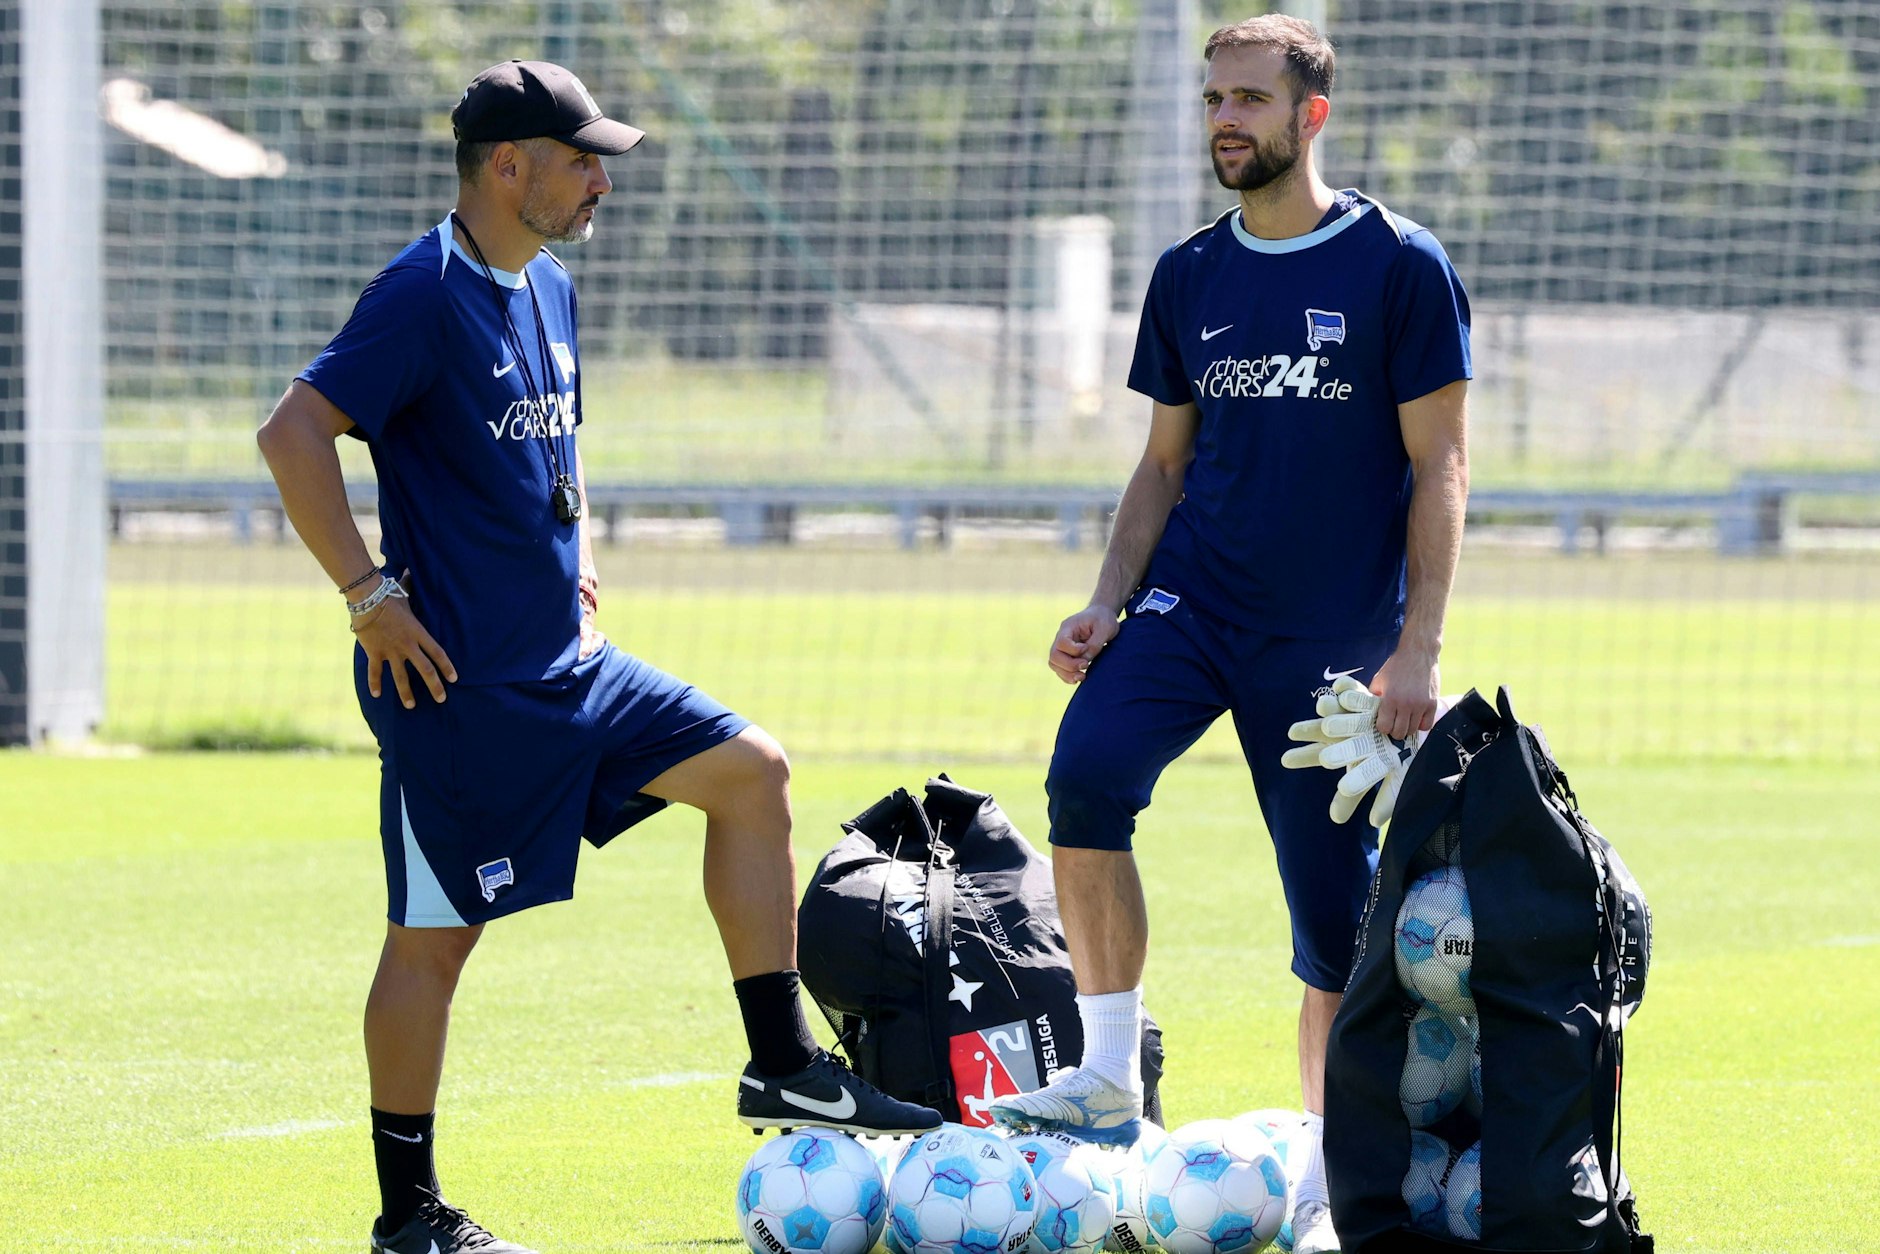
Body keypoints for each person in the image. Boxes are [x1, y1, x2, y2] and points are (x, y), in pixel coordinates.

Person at [256, 60, 939, 1254]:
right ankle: (408, 1219)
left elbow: (540, 451)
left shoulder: (549, 283)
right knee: (432, 943)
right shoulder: (420, 293)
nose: (600, 181)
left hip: (577, 665)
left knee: (750, 773)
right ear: (505, 165)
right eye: (580, 159)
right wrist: (367, 596)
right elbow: (293, 429)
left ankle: (781, 1064)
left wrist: (567, 552)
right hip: (459, 695)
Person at [988, 16, 1471, 1254]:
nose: (1223, 119)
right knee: (1083, 776)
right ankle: (1105, 1073)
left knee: (1329, 919)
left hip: (1326, 643)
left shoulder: (1400, 266)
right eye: (1213, 98)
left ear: (1310, 115)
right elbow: (1159, 466)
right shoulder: (1188, 273)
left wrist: (1413, 653)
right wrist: (1105, 596)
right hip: (1188, 606)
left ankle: (1326, 1181)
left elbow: (1441, 467)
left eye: (1248, 99)